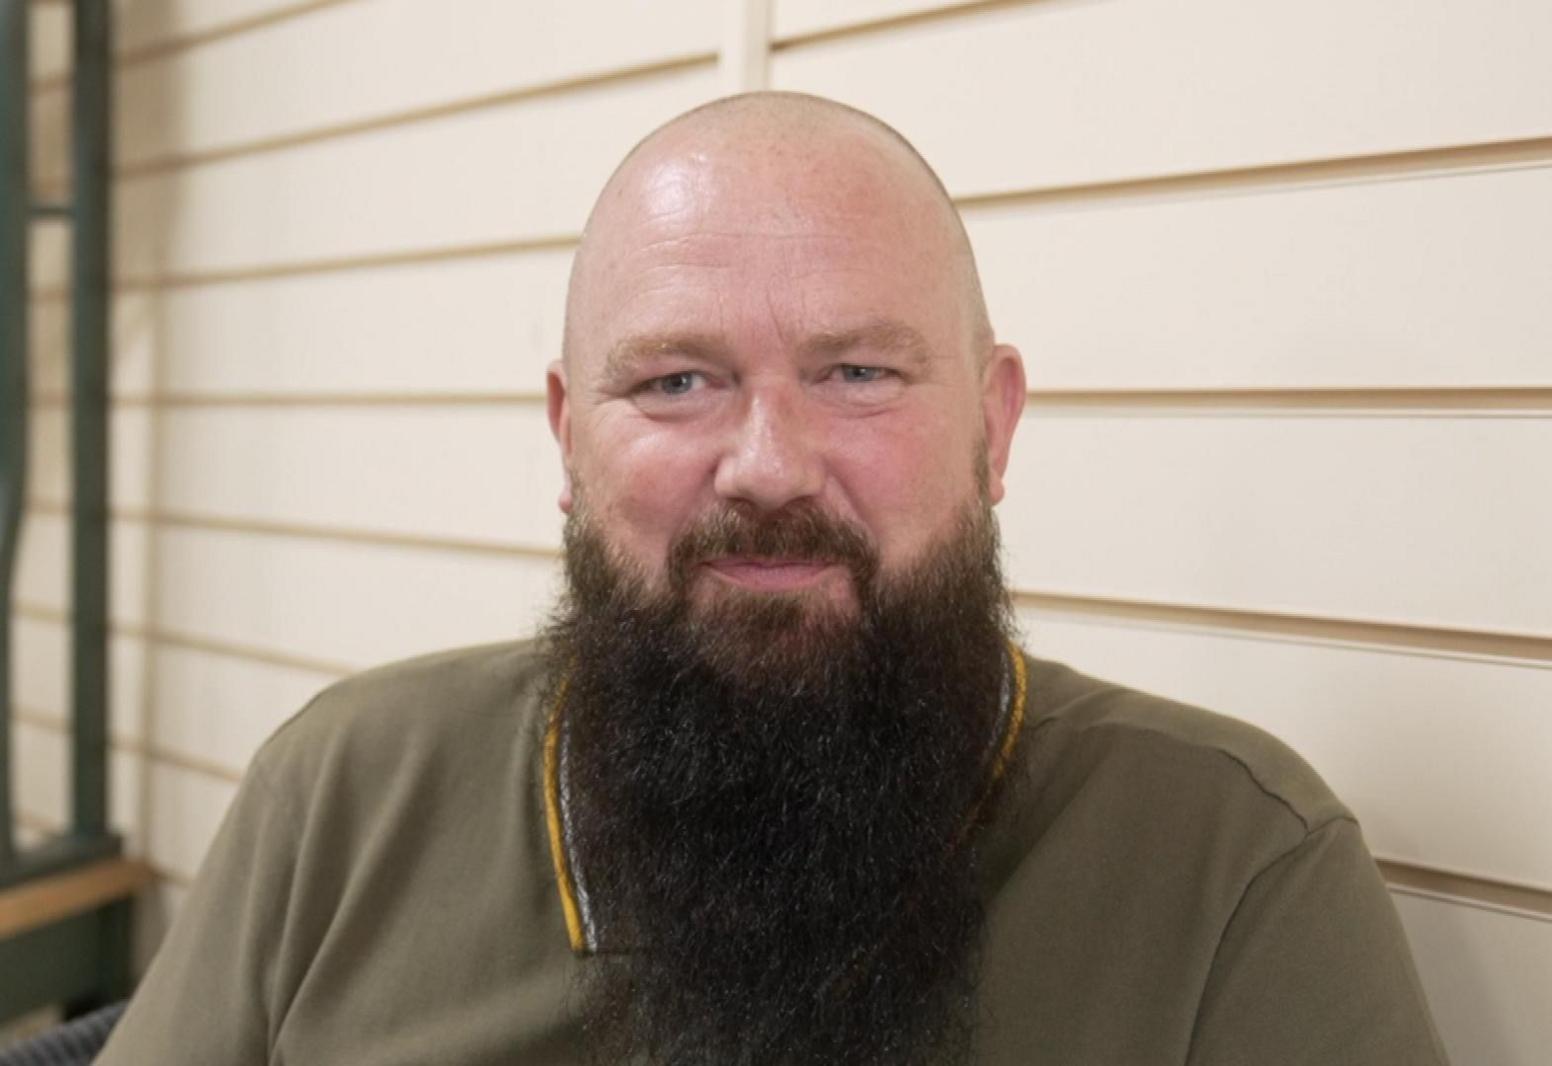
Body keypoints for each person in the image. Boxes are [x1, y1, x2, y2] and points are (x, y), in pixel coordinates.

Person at [97, 93, 1447, 1065]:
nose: (766, 464)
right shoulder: (340, 791)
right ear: (569, 434)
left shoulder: (1231, 871)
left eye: (858, 372)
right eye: (678, 380)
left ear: (994, 426)